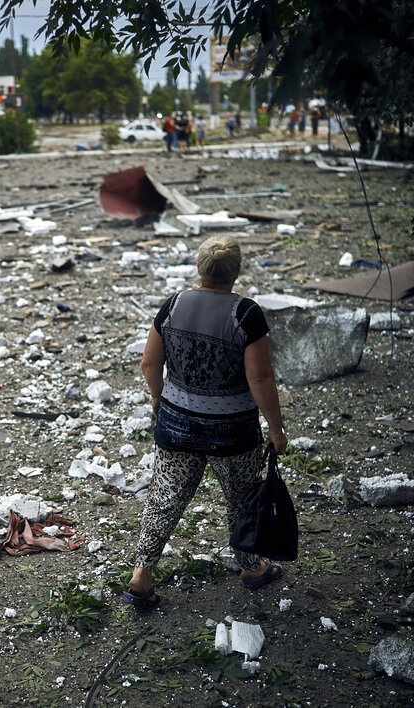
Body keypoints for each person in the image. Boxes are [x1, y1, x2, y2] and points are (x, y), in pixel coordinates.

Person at [122, 235, 289, 610]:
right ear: (237, 272)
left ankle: (142, 575)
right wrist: (276, 430)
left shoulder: (173, 305)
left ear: (199, 269)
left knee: (164, 498)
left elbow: (150, 363)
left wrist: (156, 396)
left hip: (177, 424)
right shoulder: (246, 314)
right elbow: (259, 378)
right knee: (242, 498)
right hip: (233, 432)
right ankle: (250, 567)